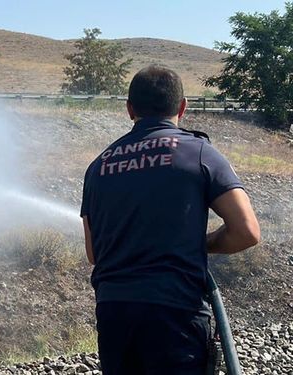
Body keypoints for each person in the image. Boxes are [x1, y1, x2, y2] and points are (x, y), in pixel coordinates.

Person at [80, 65, 260, 375]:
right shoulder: (199, 153)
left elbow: (94, 253)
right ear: (182, 107)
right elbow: (246, 231)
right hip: (176, 313)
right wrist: (201, 244)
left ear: (129, 109)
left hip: (114, 315)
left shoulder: (99, 166)